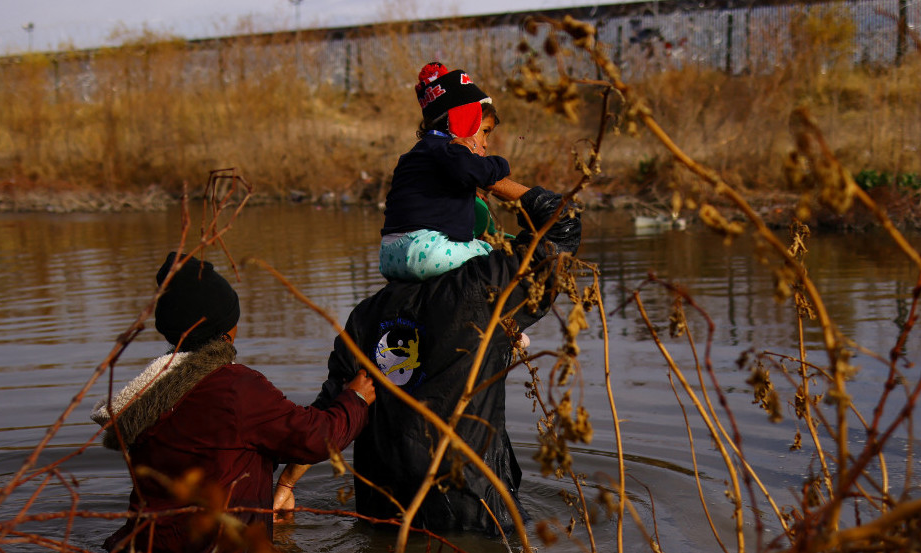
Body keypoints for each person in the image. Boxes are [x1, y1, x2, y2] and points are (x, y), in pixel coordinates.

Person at [275, 184, 582, 536]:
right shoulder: (481, 292)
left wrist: (285, 485)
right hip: (471, 514)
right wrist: (490, 173)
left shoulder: (365, 315)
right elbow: (562, 227)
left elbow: (332, 413)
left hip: (385, 515)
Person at [90, 252, 375, 552]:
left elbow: (224, 449)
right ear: (225, 331)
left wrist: (280, 487)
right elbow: (317, 437)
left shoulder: (149, 392)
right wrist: (356, 399)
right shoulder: (236, 388)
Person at [379, 61, 525, 281]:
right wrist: (501, 165)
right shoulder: (450, 151)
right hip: (425, 251)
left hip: (389, 256)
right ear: (464, 121)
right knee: (491, 254)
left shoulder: (417, 156)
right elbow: (478, 172)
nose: (485, 143)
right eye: (484, 132)